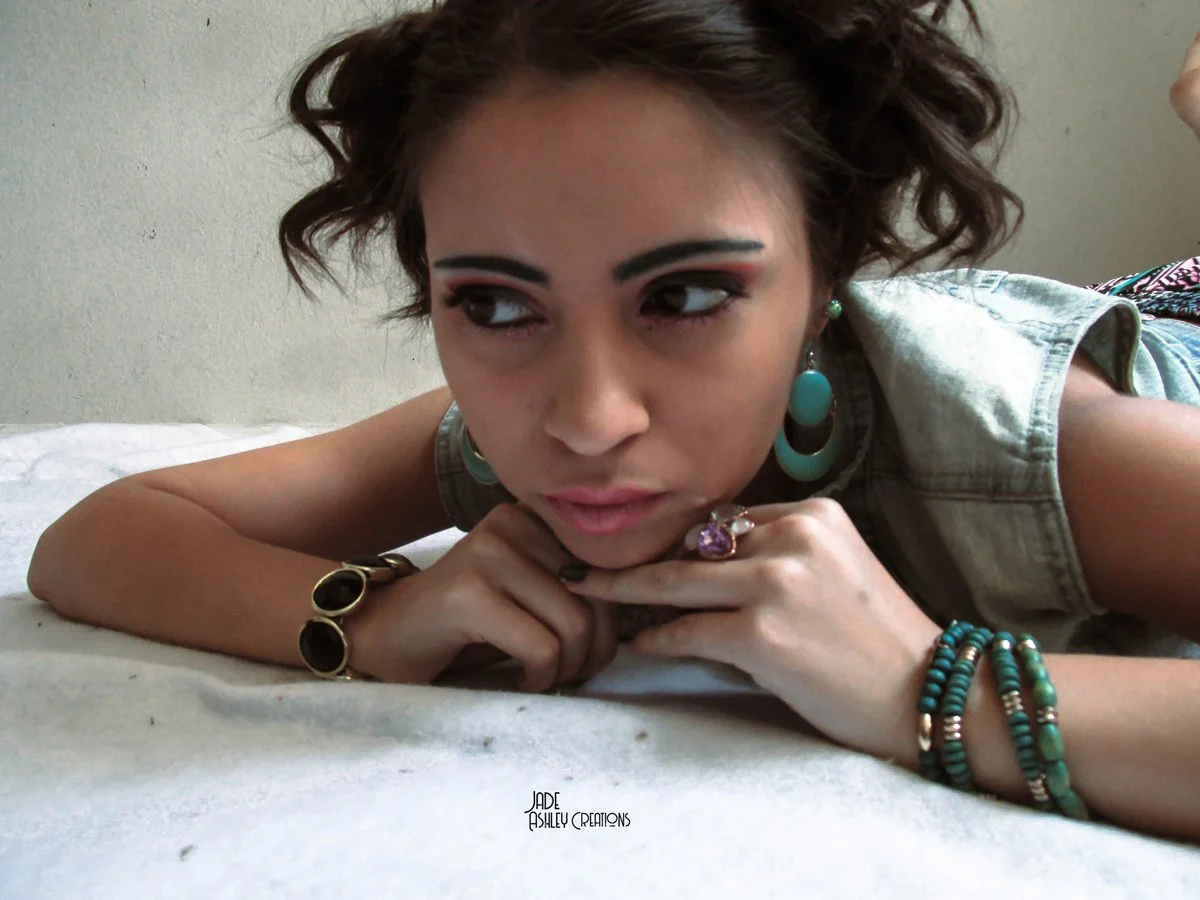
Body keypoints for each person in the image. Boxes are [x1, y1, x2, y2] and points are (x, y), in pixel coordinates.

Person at [26, 1, 1200, 842]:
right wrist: (376, 620)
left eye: (684, 297)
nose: (588, 421)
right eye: (495, 305)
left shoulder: (1029, 443)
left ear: (826, 275)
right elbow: (98, 538)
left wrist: (921, 689)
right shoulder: (488, 443)